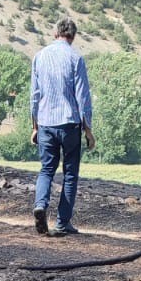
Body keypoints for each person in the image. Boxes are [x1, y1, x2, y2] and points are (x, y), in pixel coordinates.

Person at [30, 18, 94, 236]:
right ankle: (62, 222)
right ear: (73, 36)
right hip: (69, 123)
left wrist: (35, 126)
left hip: (46, 122)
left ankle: (40, 204)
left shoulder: (39, 56)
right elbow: (82, 98)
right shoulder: (76, 58)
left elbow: (34, 96)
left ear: (55, 33)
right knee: (70, 173)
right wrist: (88, 129)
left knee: (47, 169)